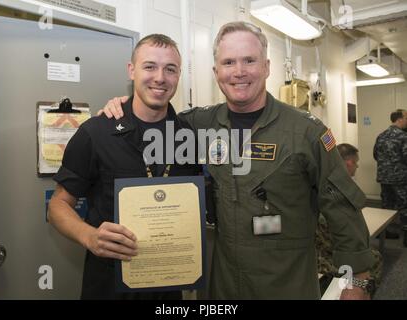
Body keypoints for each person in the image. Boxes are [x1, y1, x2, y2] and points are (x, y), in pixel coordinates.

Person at [99, 21, 375, 300]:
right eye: (229, 62)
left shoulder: (306, 131)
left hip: (287, 284)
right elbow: (152, 117)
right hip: (225, 285)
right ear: (216, 72)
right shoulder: (198, 124)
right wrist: (124, 105)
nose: (239, 72)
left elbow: (342, 208)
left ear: (266, 67)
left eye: (249, 61)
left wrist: (356, 280)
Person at [48, 34, 200, 299]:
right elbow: (58, 205)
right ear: (132, 70)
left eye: (170, 69)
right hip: (108, 285)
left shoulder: (189, 136)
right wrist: (89, 236)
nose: (160, 77)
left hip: (167, 286)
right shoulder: (95, 132)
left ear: (178, 76)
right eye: (150, 66)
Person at [316, 143, 382, 296]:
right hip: (327, 259)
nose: (357, 166)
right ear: (348, 163)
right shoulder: (336, 192)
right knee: (374, 258)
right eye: (356, 163)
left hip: (321, 253)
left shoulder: (320, 184)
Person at [373, 109, 407, 246]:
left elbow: (375, 155)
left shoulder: (381, 136)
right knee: (404, 205)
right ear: (400, 119)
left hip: (384, 177)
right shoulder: (403, 137)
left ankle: (386, 232)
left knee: (387, 205)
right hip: (400, 178)